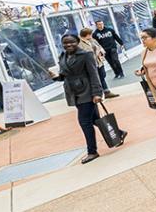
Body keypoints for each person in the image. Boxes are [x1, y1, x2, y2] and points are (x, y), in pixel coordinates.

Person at [49, 34, 121, 164]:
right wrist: (56, 77)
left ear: (77, 42)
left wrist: (97, 93)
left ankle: (92, 151)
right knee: (94, 119)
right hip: (73, 93)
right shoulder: (63, 56)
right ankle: (119, 133)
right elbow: (65, 75)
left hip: (87, 92)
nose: (68, 45)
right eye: (65, 43)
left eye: (71, 42)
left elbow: (94, 75)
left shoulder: (86, 54)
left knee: (84, 122)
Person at [78, 28, 119, 99]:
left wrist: (101, 51)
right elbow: (84, 54)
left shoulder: (92, 40)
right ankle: (98, 94)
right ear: (86, 35)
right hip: (91, 64)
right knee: (95, 79)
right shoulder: (79, 44)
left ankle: (106, 92)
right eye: (90, 34)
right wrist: (95, 53)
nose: (91, 35)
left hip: (99, 62)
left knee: (102, 76)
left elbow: (99, 46)